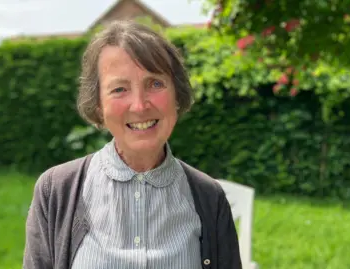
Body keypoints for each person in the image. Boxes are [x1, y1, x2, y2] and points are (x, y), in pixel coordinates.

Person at [23, 20, 241, 269]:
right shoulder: (56, 191)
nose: (139, 105)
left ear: (177, 96)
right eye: (119, 89)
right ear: (98, 106)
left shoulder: (210, 198)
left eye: (155, 84)